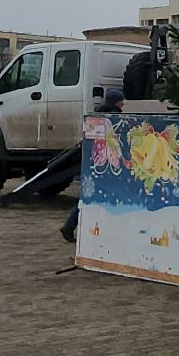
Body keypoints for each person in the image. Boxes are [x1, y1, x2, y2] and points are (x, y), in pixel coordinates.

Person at [61, 88, 126, 243]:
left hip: (95, 163)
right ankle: (74, 226)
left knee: (88, 197)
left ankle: (71, 225)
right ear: (116, 102)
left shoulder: (96, 117)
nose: (123, 104)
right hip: (108, 165)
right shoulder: (114, 117)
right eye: (121, 101)